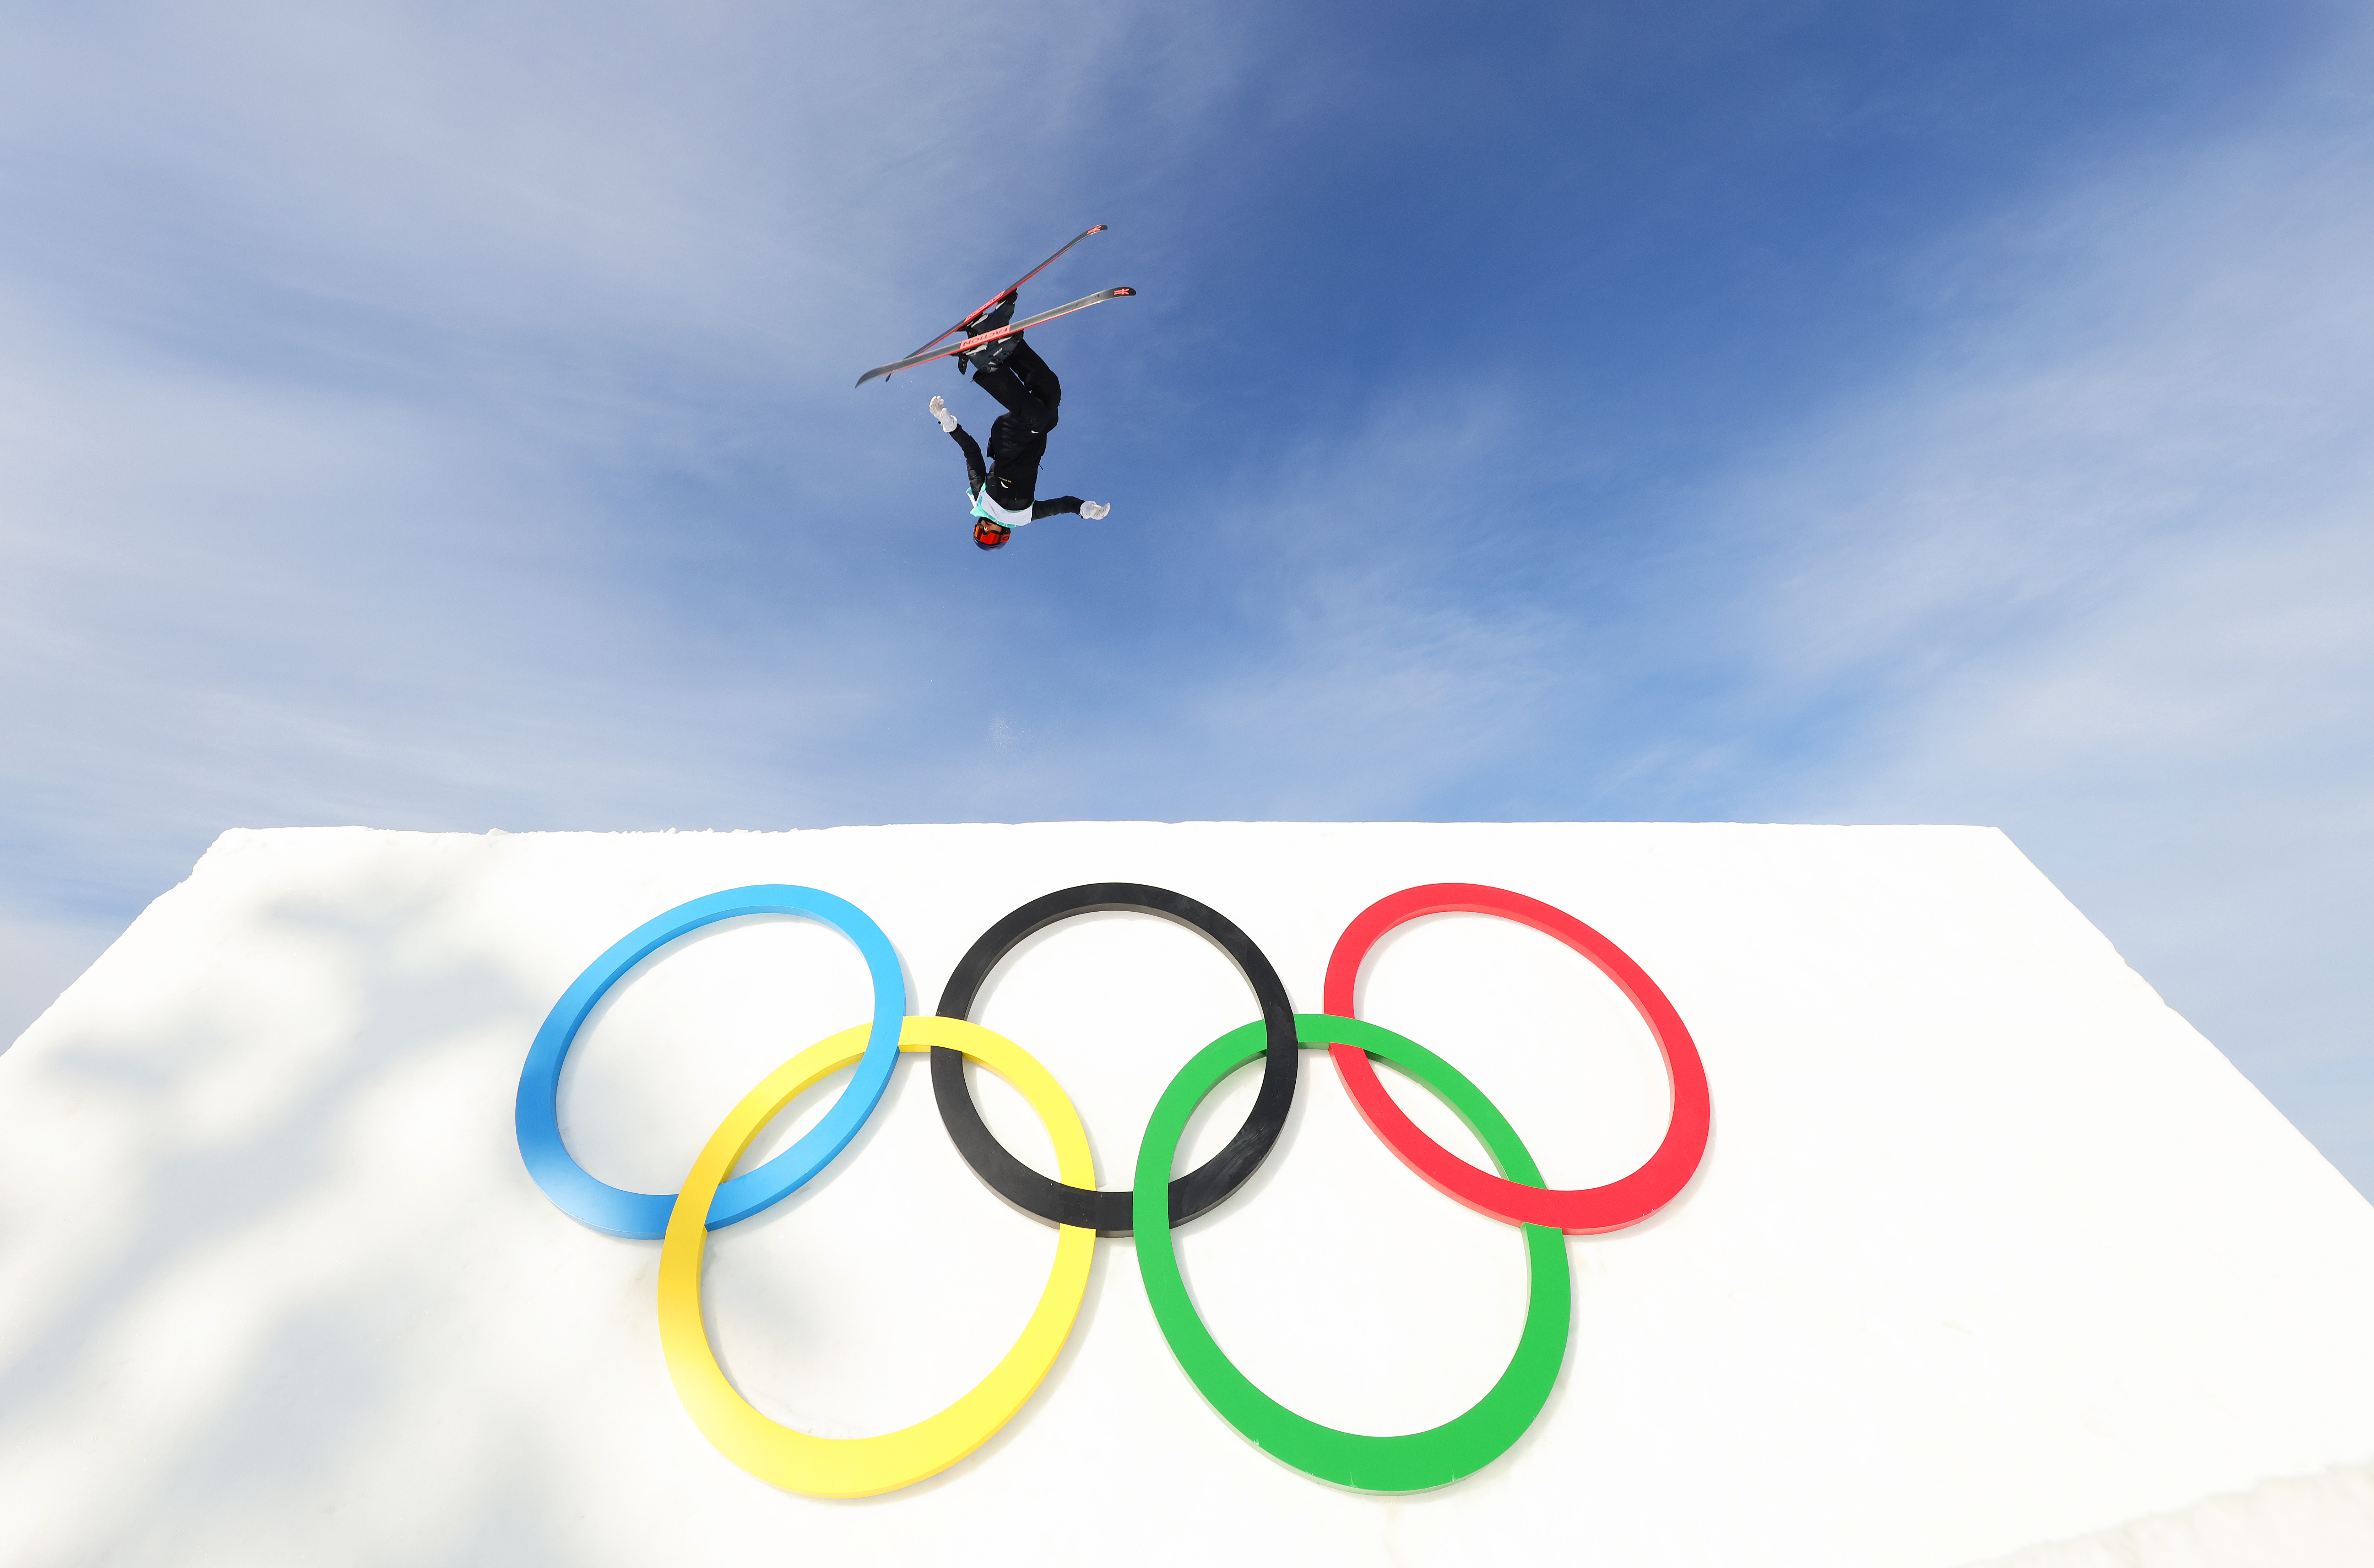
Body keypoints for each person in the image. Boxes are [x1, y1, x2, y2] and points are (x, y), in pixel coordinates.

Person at [928, 316, 1109, 551]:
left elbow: (972, 453)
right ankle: (1001, 339)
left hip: (1008, 443)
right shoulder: (1027, 515)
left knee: (1036, 418)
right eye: (988, 536)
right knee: (1051, 395)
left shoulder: (981, 501)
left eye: (978, 531)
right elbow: (1062, 505)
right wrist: (1084, 509)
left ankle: (984, 363)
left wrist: (949, 424)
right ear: (1003, 537)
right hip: (1035, 438)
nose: (984, 528)